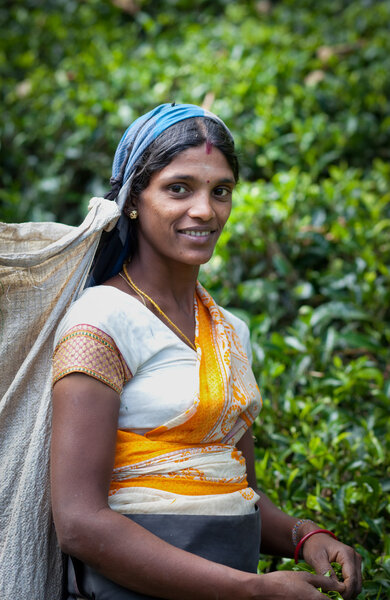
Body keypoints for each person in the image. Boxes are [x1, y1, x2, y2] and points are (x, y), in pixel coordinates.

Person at [50, 103, 362, 600]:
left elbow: (233, 490)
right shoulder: (101, 321)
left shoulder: (228, 331)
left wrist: (305, 537)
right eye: (179, 188)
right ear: (133, 198)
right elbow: (79, 522)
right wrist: (250, 590)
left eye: (221, 191)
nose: (205, 210)